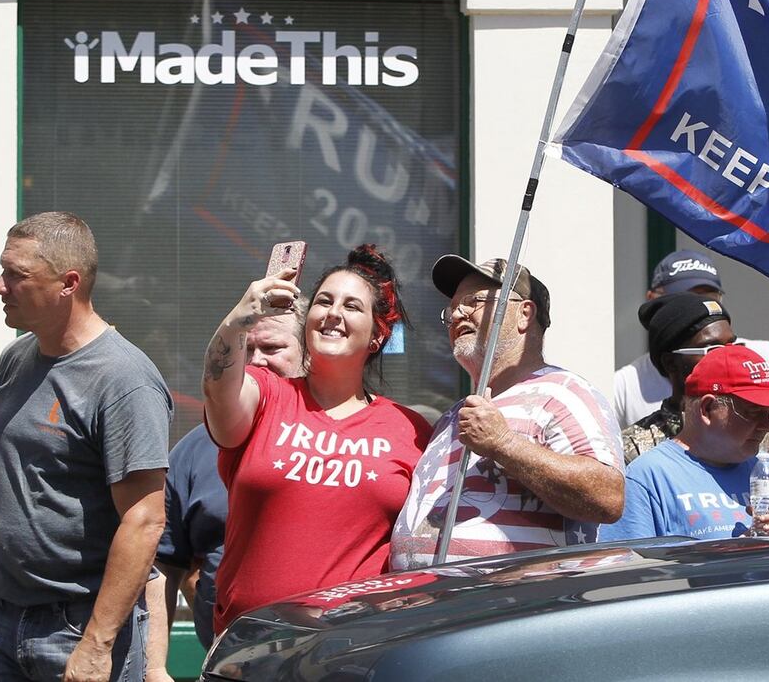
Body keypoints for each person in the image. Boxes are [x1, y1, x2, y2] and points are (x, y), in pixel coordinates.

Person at [0, 212, 172, 682]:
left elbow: (145, 518)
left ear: (68, 283)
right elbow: (12, 461)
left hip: (80, 626)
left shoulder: (124, 380)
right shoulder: (16, 358)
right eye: (2, 269)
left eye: (17, 275)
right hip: (2, 617)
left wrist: (98, 644)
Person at [203, 245, 430, 635]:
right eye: (324, 301)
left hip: (352, 650)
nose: (333, 314)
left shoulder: (409, 429)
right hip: (249, 646)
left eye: (352, 306)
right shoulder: (266, 393)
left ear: (377, 336)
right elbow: (218, 392)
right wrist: (239, 319)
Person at [388, 256, 625, 569]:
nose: (457, 313)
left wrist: (504, 443)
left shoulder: (564, 392)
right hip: (432, 609)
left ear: (524, 314)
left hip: (516, 608)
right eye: (452, 308)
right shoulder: (452, 417)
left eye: (473, 302)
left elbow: (607, 497)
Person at [612, 249, 769, 502]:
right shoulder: (636, 449)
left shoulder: (767, 440)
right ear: (671, 363)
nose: (728, 356)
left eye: (733, 345)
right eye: (713, 349)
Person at [156, 301, 306, 646]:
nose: (255, 362)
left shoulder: (343, 442)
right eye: (246, 348)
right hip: (225, 661)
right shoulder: (195, 449)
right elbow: (164, 563)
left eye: (271, 348)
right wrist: (154, 668)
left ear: (308, 353)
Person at [600, 345, 769, 542]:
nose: (766, 426)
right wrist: (735, 553)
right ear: (707, 409)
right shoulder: (648, 477)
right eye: (752, 412)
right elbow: (628, 571)